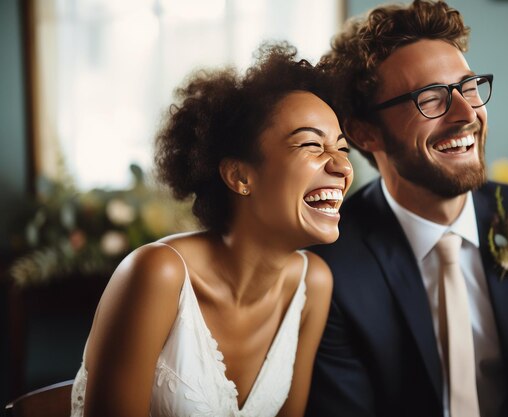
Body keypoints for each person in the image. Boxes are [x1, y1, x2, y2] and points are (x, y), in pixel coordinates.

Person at [305, 2, 508, 417]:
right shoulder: (332, 266)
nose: (468, 113)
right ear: (365, 132)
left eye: (468, 87)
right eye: (430, 99)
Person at [70, 42, 353, 417]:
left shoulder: (313, 284)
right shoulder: (157, 274)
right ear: (240, 176)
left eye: (343, 148)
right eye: (311, 144)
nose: (342, 167)